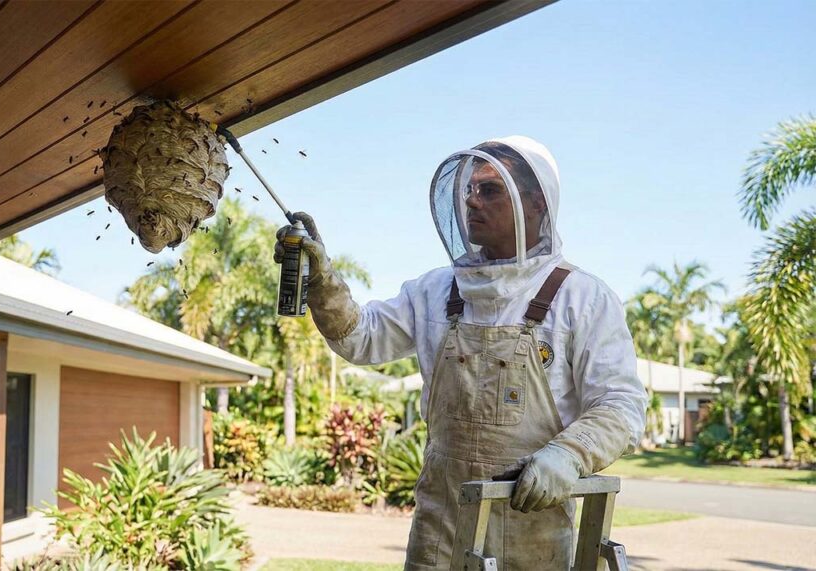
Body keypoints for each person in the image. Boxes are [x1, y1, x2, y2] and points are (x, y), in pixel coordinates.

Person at [273, 136, 647, 570]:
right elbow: (361, 337)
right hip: (440, 532)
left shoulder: (582, 298)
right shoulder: (435, 289)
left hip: (532, 535)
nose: (472, 201)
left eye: (490, 190)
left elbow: (621, 404)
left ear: (536, 205)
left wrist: (568, 454)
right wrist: (322, 281)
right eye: (469, 189)